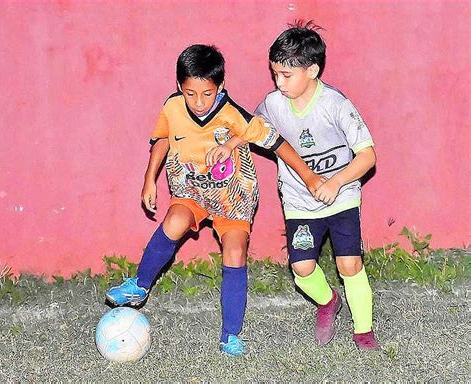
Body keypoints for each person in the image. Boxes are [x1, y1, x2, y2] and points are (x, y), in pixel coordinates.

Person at [105, 44, 323, 357]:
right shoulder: (172, 107)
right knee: (175, 220)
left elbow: (277, 144)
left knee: (235, 252)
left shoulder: (233, 115)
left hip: (233, 197)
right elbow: (162, 139)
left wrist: (310, 177)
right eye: (191, 93)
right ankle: (139, 284)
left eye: (207, 94)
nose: (198, 102)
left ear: (219, 87)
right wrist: (149, 179)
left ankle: (230, 335)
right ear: (180, 87)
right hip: (192, 191)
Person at [254, 21, 379, 350]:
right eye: (275, 74)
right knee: (302, 267)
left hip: (342, 196)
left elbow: (367, 156)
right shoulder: (273, 104)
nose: (279, 83)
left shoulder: (336, 104)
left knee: (348, 264)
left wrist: (337, 181)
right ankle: (328, 301)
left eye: (286, 75)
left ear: (312, 70)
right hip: (298, 200)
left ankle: (363, 330)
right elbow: (253, 130)